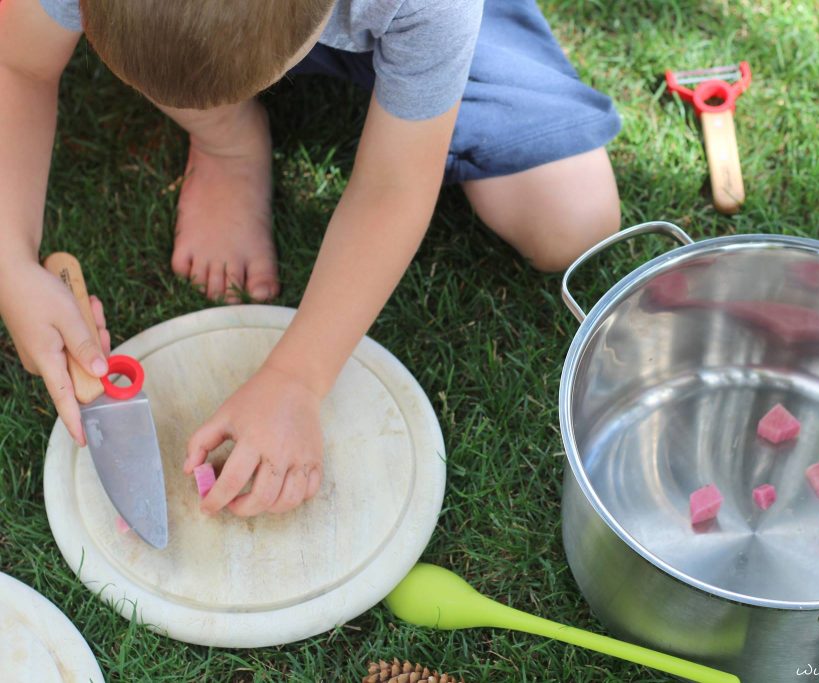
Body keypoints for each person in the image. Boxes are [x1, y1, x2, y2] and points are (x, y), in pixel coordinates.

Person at [0, 0, 621, 516]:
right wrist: (10, 262)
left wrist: (296, 378)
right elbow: (18, 66)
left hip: (422, 18)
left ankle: (414, 74)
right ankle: (228, 144)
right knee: (176, 55)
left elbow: (393, 188)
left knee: (568, 219)